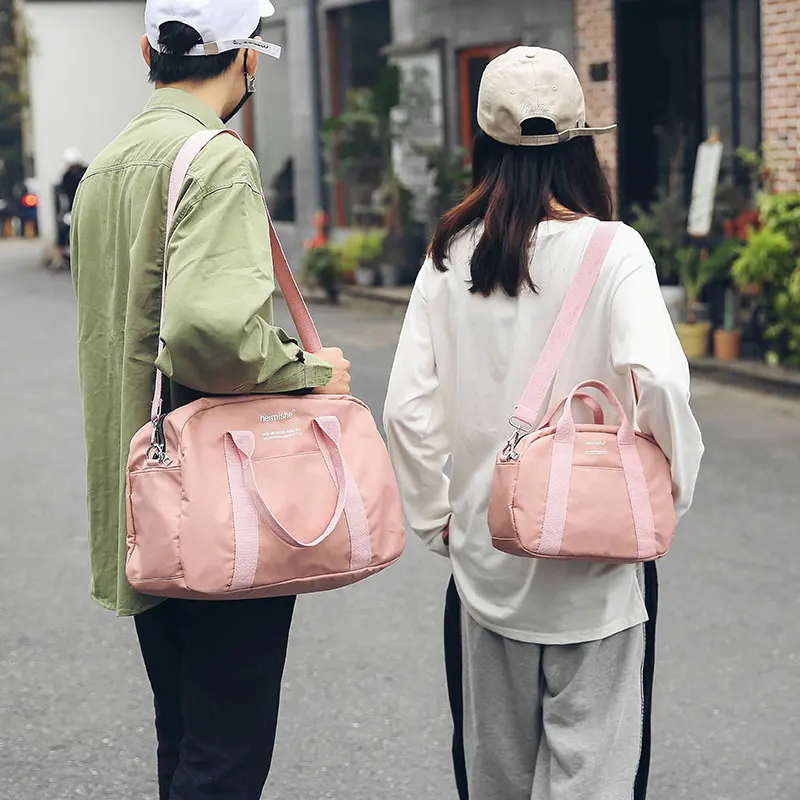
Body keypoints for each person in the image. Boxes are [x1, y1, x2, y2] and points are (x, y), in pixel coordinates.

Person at [384, 46, 704, 800]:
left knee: (493, 780)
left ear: (483, 143)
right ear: (581, 144)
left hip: (487, 563)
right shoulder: (615, 249)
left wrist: (438, 521)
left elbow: (405, 409)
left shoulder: (450, 255)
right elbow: (660, 380)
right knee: (595, 781)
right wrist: (671, 494)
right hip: (599, 565)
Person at [71, 1, 350, 797]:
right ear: (249, 58)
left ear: (147, 52)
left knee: (186, 736)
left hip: (145, 495)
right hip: (221, 508)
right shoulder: (218, 159)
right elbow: (211, 332)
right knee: (225, 756)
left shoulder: (106, 166)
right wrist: (309, 371)